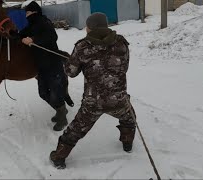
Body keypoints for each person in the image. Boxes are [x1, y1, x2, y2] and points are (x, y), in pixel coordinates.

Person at [49, 12, 137, 169]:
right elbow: (125, 67)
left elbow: (71, 72)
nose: (85, 29)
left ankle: (59, 157)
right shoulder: (121, 43)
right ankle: (127, 143)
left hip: (93, 102)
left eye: (87, 26)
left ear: (91, 28)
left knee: (76, 129)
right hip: (118, 98)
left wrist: (69, 61)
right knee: (129, 118)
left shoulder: (82, 46)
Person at [19, 1, 69, 131]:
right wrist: (11, 34)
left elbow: (52, 36)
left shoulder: (44, 22)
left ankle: (62, 117)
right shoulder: (32, 25)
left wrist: (33, 40)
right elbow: (21, 34)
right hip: (40, 65)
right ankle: (61, 110)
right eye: (26, 13)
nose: (27, 15)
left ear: (35, 12)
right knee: (43, 93)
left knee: (55, 92)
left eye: (28, 12)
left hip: (53, 64)